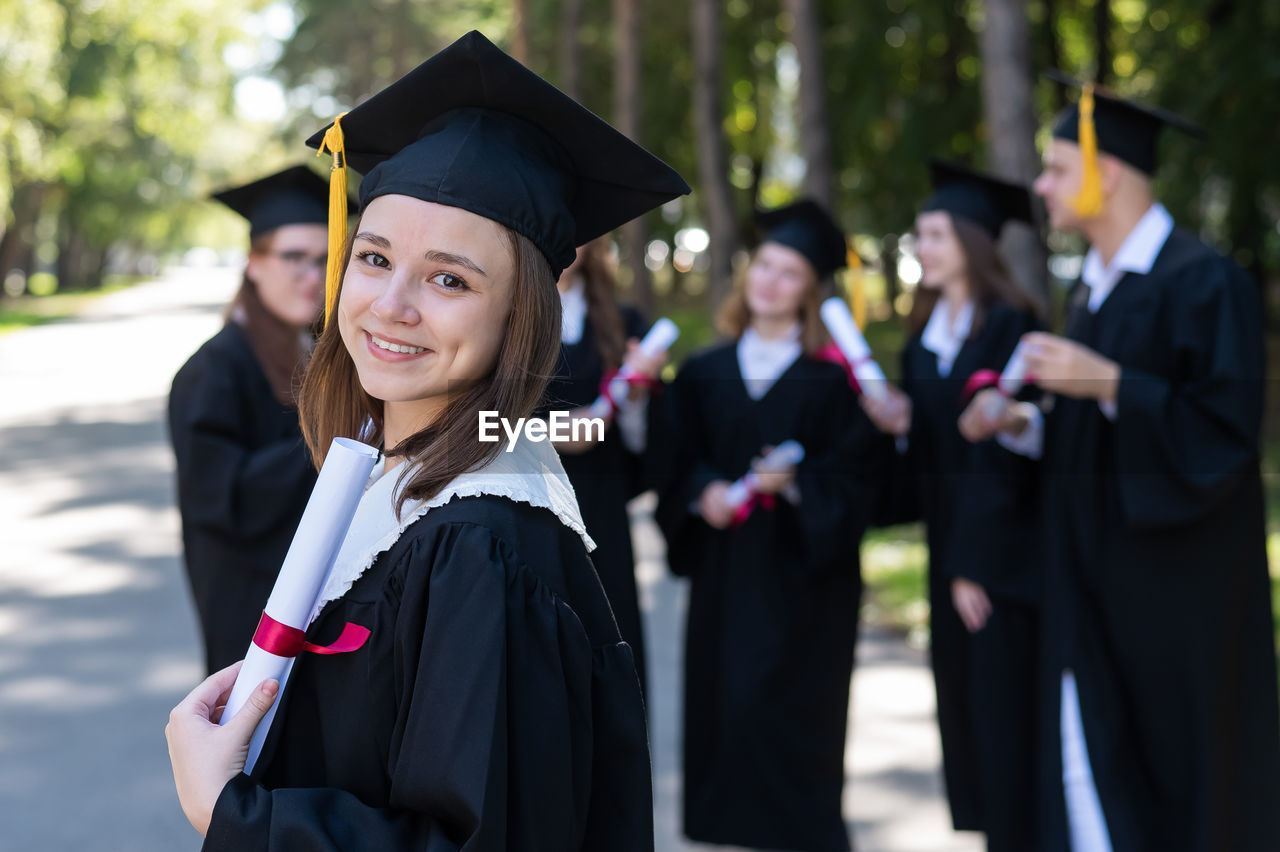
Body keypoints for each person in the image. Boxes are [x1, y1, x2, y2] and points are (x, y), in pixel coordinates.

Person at [165, 30, 689, 850]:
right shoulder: (396, 469)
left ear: (521, 314)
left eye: (450, 278)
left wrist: (233, 814)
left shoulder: (480, 548)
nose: (391, 304)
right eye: (372, 258)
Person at [960, 73, 1280, 851]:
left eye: (1058, 167)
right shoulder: (1097, 294)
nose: (1041, 186)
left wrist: (1109, 382)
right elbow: (1094, 441)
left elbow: (1224, 440)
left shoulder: (1205, 282)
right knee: (1100, 771)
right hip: (1095, 586)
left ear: (1113, 172)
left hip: (1179, 605)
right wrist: (1026, 426)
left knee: (1178, 778)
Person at [654, 199, 884, 851]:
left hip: (806, 585)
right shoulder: (702, 372)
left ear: (811, 292)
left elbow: (863, 478)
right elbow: (676, 460)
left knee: (790, 721)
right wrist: (703, 496)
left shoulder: (836, 383)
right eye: (764, 266)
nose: (770, 282)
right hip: (726, 578)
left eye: (789, 273)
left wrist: (798, 487)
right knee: (728, 713)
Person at [861, 160, 1043, 851]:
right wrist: (900, 428)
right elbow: (926, 471)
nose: (923, 248)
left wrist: (973, 565)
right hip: (951, 557)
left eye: (935, 234)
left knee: (1004, 725)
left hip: (1001, 562)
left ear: (972, 241)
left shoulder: (1013, 329)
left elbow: (1005, 463)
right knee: (969, 726)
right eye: (919, 235)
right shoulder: (925, 343)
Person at [169, 165, 350, 674]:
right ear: (254, 262)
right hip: (251, 614)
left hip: (313, 600)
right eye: (294, 257)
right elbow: (224, 500)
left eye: (324, 259)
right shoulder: (214, 371)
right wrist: (339, 443)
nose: (312, 276)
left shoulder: (312, 351)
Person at [544, 237, 664, 697]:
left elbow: (645, 446)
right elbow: (477, 425)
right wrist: (550, 434)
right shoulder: (498, 318)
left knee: (608, 668)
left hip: (603, 519)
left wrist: (634, 402)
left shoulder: (623, 324)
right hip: (524, 509)